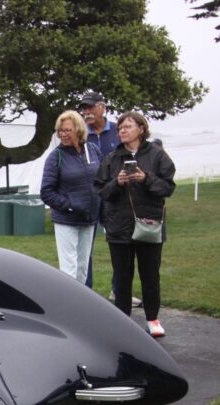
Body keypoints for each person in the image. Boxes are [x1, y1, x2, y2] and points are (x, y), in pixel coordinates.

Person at [94, 111, 176, 338]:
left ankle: (153, 318)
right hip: (119, 227)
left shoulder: (157, 155)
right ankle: (123, 322)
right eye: (120, 127)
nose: (122, 130)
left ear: (141, 129)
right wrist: (117, 182)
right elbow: (101, 190)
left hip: (149, 225)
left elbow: (168, 187)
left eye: (128, 126)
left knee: (150, 274)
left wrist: (145, 179)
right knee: (122, 276)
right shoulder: (112, 158)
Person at [78, 90, 136, 304]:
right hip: (91, 197)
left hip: (115, 197)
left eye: (90, 107)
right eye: (83, 108)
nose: (86, 112)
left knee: (121, 246)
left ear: (102, 107)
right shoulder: (81, 134)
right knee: (85, 248)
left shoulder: (118, 132)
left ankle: (119, 290)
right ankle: (87, 293)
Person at [39, 110, 101, 283]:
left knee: (83, 268)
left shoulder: (93, 150)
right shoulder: (55, 157)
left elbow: (102, 178)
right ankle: (68, 306)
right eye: (60, 130)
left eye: (67, 130)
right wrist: (69, 205)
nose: (62, 134)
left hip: (89, 219)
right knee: (69, 269)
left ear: (79, 130)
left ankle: (81, 307)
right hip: (67, 220)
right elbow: (46, 192)